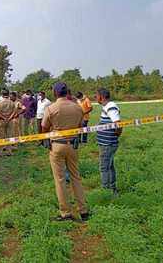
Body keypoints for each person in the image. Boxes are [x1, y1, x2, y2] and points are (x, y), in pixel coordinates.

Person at [41, 82, 89, 221]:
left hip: (57, 145)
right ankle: (83, 210)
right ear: (67, 92)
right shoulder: (77, 107)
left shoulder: (51, 108)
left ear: (55, 93)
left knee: (60, 179)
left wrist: (47, 138)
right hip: (73, 145)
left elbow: (44, 127)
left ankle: (66, 212)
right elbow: (80, 126)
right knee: (76, 177)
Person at [96, 88, 122, 196]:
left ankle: (106, 191)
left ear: (101, 97)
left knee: (104, 167)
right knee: (109, 166)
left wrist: (116, 134)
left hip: (108, 144)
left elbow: (118, 124)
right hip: (106, 143)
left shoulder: (111, 107)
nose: (96, 98)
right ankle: (112, 188)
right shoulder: (107, 107)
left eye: (96, 96)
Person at [0, 89, 16, 156]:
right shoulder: (12, 103)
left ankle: (0, 152)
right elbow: (14, 112)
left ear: (2, 94)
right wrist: (9, 118)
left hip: (1, 121)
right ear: (8, 94)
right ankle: (9, 152)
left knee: (1, 136)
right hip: (10, 121)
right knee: (9, 136)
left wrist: (3, 117)